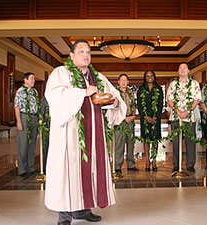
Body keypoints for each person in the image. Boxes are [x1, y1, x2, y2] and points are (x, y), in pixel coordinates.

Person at [44, 40, 126, 225]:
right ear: (71, 55)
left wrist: (114, 102)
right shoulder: (61, 73)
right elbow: (55, 96)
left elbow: (114, 94)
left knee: (90, 170)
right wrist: (82, 92)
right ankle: (64, 215)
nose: (85, 55)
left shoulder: (97, 76)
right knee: (68, 171)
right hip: (70, 134)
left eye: (88, 52)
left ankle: (83, 209)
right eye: (81, 51)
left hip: (94, 132)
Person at [166, 62, 202, 173]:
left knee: (190, 141)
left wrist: (187, 111)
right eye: (180, 68)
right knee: (176, 141)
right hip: (176, 117)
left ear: (188, 70)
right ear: (178, 71)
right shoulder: (173, 84)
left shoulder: (194, 83)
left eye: (184, 68)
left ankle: (190, 164)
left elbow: (197, 99)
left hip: (190, 117)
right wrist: (178, 111)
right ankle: (176, 165)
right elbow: (169, 99)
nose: (182, 70)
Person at [137, 70, 163, 171]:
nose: (149, 77)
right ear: (145, 77)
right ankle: (147, 161)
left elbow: (160, 104)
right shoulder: (141, 89)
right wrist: (145, 116)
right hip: (145, 119)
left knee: (155, 140)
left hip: (156, 119)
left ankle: (154, 161)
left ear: (154, 77)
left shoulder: (159, 89)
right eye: (147, 76)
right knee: (146, 140)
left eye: (151, 76)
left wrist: (157, 116)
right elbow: (139, 104)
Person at [14, 72, 39, 177]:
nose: (33, 81)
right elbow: (16, 106)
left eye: (34, 79)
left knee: (32, 143)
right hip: (24, 117)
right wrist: (19, 121)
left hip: (34, 117)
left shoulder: (34, 92)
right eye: (31, 79)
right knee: (23, 144)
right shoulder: (20, 91)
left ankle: (30, 167)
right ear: (25, 80)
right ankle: (22, 169)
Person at [114, 73, 138, 174]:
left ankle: (131, 164)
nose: (123, 82)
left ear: (128, 82)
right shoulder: (115, 93)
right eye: (121, 80)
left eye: (125, 80)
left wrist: (132, 116)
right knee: (119, 144)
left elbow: (133, 106)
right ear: (118, 82)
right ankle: (117, 166)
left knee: (130, 143)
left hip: (130, 121)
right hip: (120, 122)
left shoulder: (131, 93)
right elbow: (114, 108)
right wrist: (124, 118)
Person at [40, 96, 50, 174]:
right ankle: (45, 167)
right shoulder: (44, 99)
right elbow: (41, 114)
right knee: (46, 145)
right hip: (47, 126)